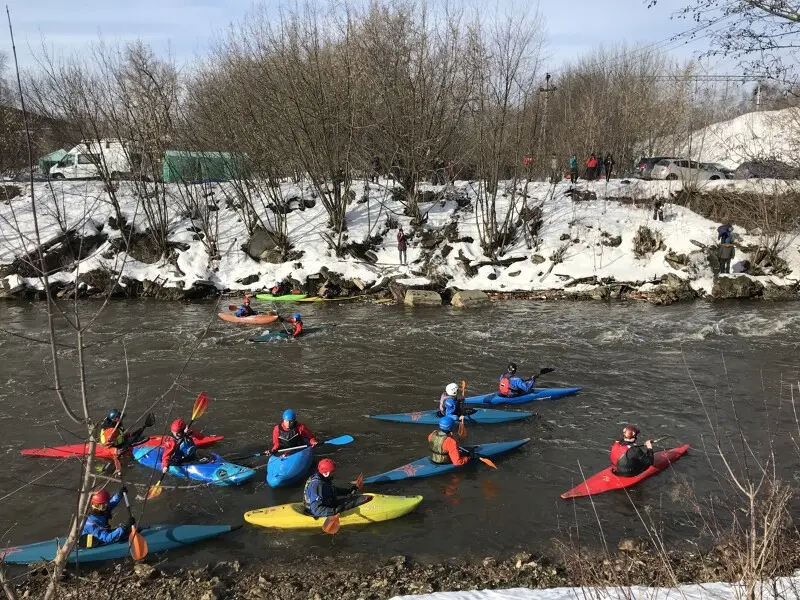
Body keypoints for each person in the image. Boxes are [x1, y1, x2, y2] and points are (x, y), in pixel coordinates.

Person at [303, 458, 369, 517]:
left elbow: (330, 491)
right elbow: (316, 510)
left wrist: (348, 491)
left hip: (326, 505)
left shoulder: (322, 478)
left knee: (359, 498)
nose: (335, 473)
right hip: (317, 512)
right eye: (332, 472)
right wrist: (334, 511)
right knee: (360, 501)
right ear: (326, 473)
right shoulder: (317, 485)